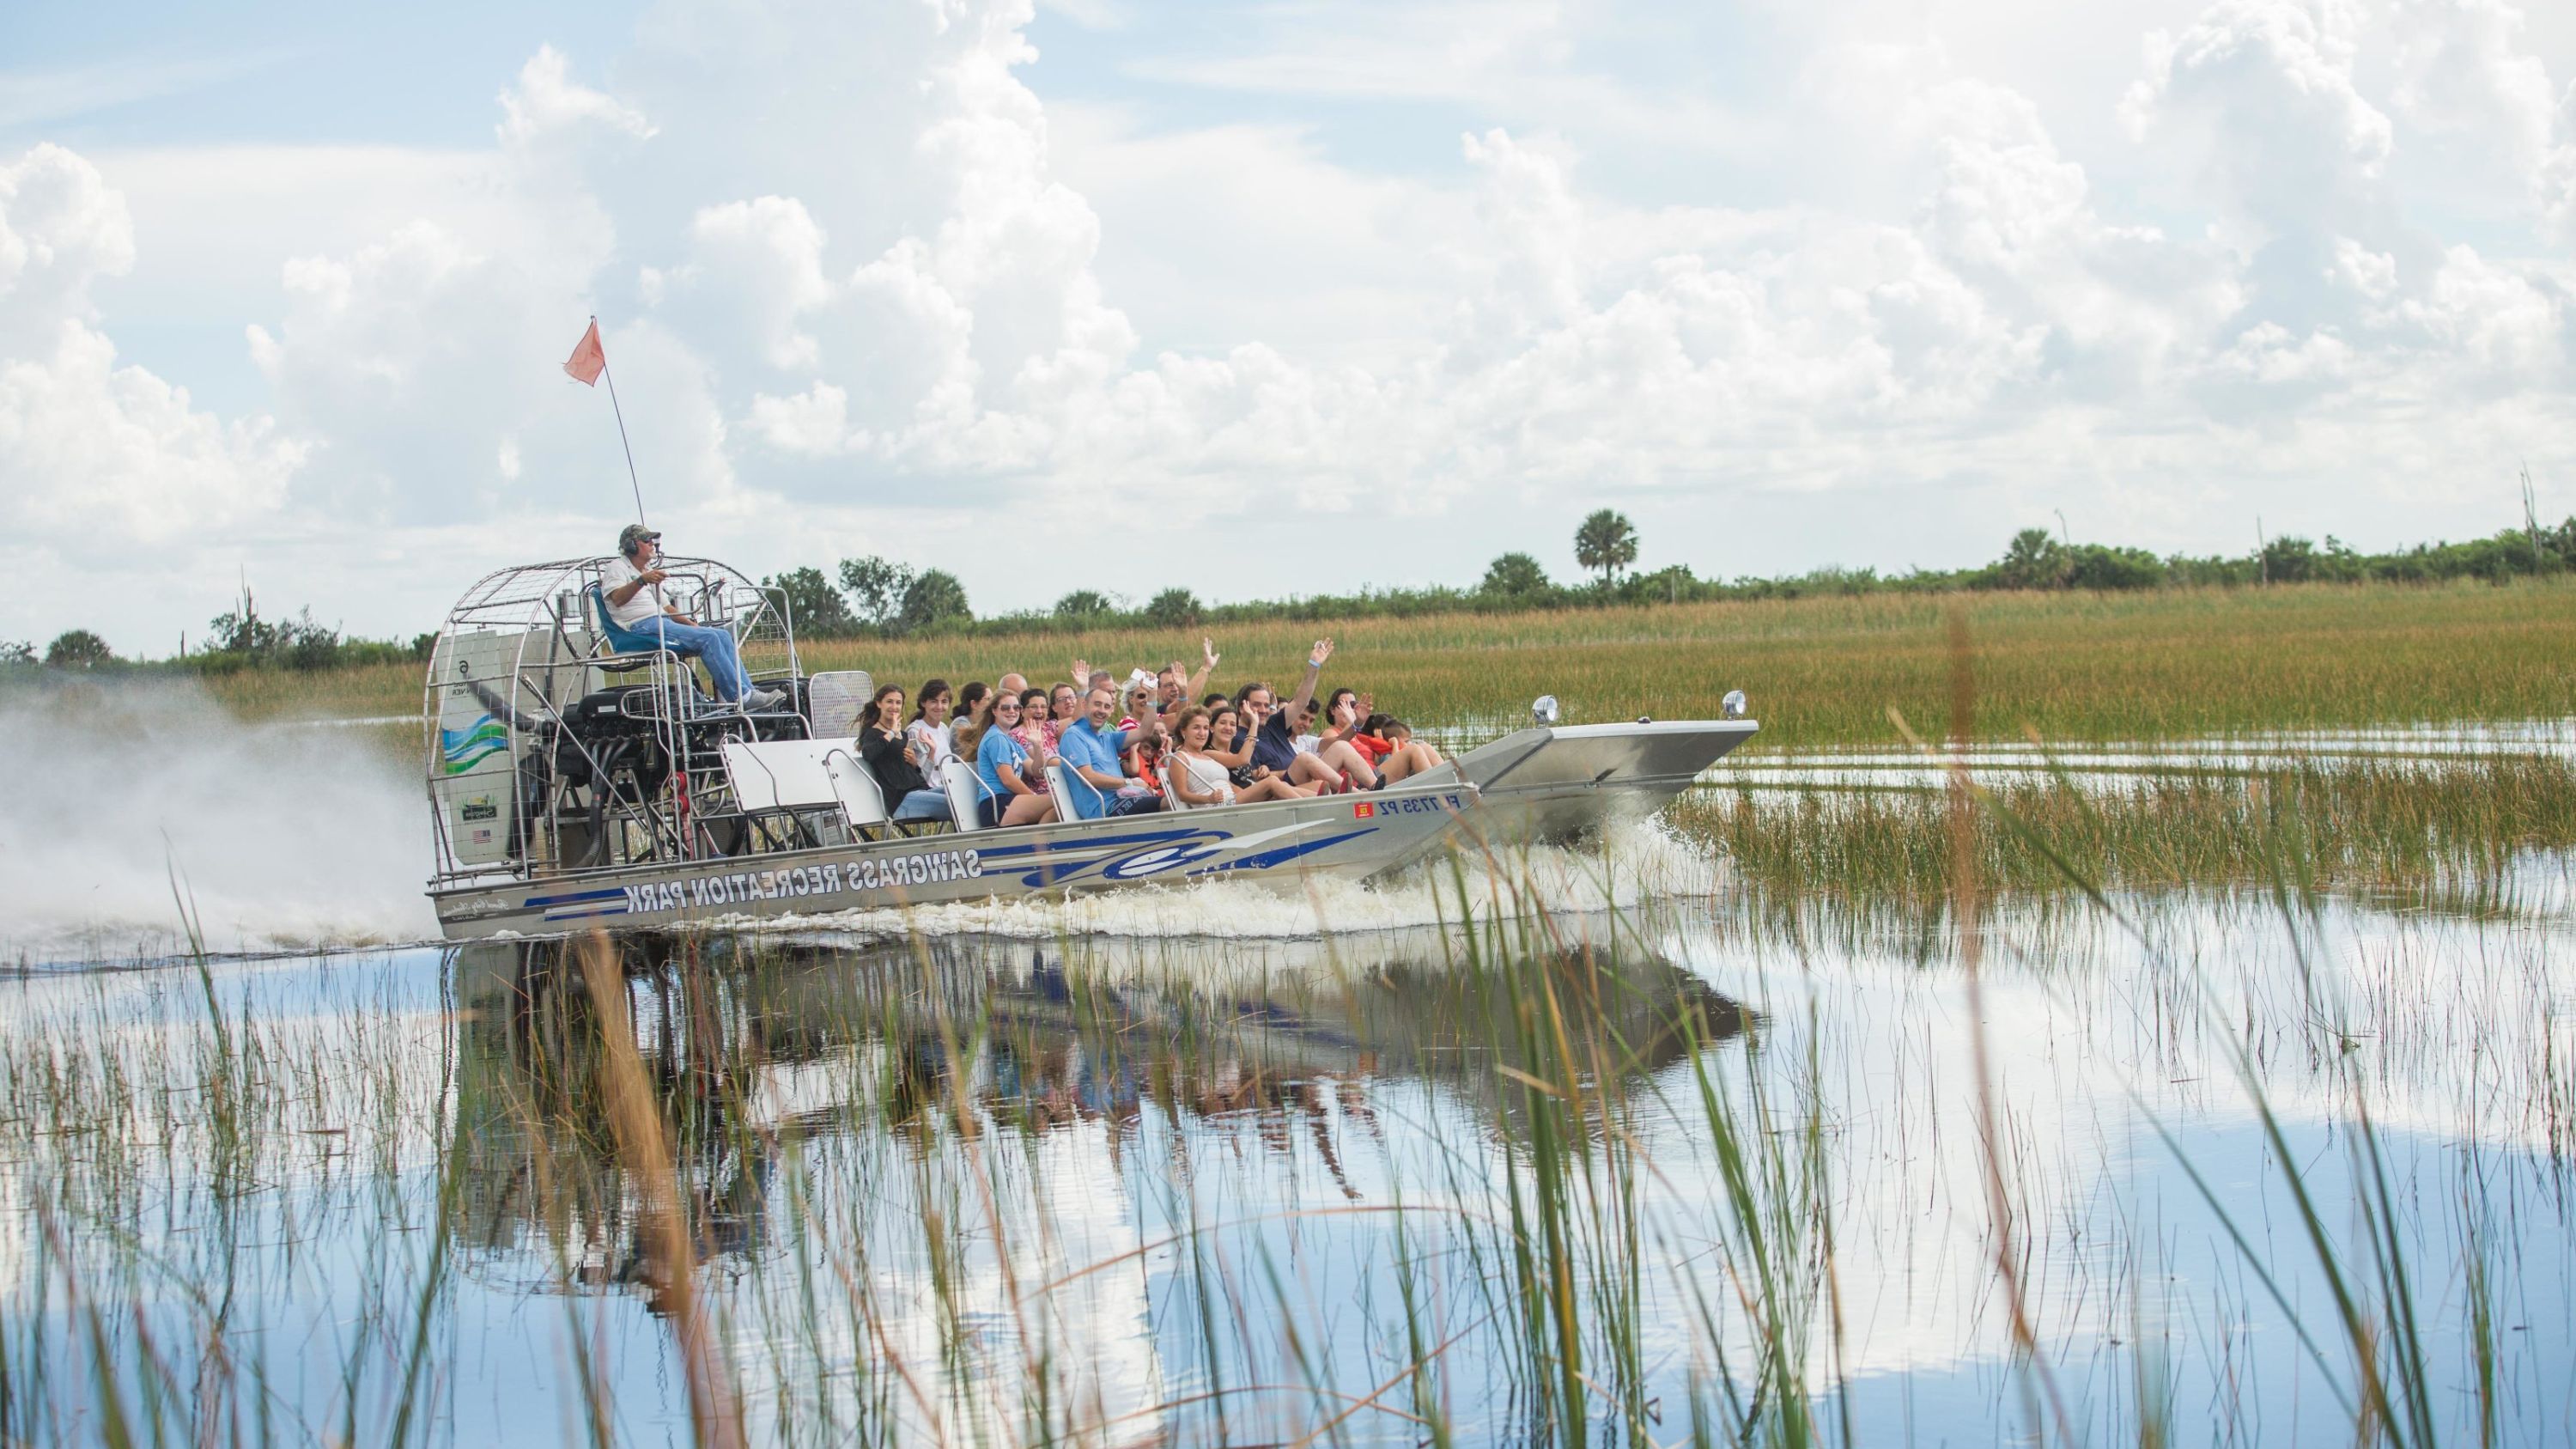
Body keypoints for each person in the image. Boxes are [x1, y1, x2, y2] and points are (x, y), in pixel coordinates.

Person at [600, 524, 783, 709]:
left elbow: (667, 608)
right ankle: (741, 698)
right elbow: (617, 599)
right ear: (632, 545)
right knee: (709, 639)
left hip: (659, 622)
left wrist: (692, 625)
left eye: (655, 541)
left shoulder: (646, 570)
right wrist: (642, 581)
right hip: (639, 626)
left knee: (721, 635)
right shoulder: (618, 568)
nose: (653, 544)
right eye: (647, 540)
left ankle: (750, 692)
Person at [1234, 640, 1365, 793]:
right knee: (1305, 760)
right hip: (1281, 791)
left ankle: (1376, 788)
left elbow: (1300, 701)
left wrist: (1314, 665)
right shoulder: (1237, 738)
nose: (1263, 710)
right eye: (1257, 705)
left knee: (1341, 747)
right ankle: (1356, 796)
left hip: (1304, 779)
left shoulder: (1273, 724)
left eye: (1266, 705)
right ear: (1243, 707)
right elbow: (1255, 780)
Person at [1164, 706, 1303, 808]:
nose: (1202, 733)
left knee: (1279, 788)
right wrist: (1208, 798)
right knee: (1272, 782)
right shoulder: (1180, 758)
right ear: (1184, 731)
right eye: (1196, 728)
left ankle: (1321, 803)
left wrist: (1256, 790)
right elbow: (1182, 794)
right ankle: (1311, 811)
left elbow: (1232, 787)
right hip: (1215, 808)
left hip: (1231, 800)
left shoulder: (1207, 757)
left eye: (1206, 728)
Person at [1056, 685, 1163, 819]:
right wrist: (1130, 783)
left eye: (1106, 707)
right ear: (1084, 705)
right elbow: (1088, 777)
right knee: (1166, 803)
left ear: (1111, 711)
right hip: (1104, 809)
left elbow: (1145, 732)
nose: (1102, 711)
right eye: (1097, 704)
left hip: (1123, 799)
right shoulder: (1074, 734)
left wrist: (1152, 696)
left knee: (1171, 800)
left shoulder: (1108, 736)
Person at [859, 684, 951, 822]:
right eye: (889, 702)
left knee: (962, 795)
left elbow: (914, 773)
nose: (894, 707)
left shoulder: (903, 735)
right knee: (955, 805)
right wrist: (891, 733)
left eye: (898, 703)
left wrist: (916, 763)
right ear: (879, 703)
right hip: (902, 799)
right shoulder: (873, 734)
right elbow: (868, 754)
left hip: (920, 790)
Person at [971, 693, 1054, 828]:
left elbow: (1036, 771)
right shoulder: (996, 738)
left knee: (1056, 807)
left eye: (1016, 707)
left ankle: (1039, 843)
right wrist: (1033, 797)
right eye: (1005, 708)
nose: (1012, 711)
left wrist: (1038, 747)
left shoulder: (1009, 740)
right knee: (1058, 801)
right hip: (996, 803)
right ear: (994, 711)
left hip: (1011, 800)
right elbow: (1008, 780)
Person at [1011, 688, 1056, 798]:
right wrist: (1073, 765)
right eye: (1034, 707)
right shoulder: (1017, 734)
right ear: (1022, 711)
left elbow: (1076, 720)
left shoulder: (1049, 728)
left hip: (1060, 788)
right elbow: (1041, 765)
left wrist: (1083, 688)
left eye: (1043, 707)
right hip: (1038, 794)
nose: (1040, 711)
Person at [907, 680, 956, 776]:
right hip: (929, 790)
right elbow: (921, 775)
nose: (939, 707)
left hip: (947, 787)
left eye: (944, 701)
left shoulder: (943, 728)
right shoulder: (915, 731)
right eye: (934, 701)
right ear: (923, 703)